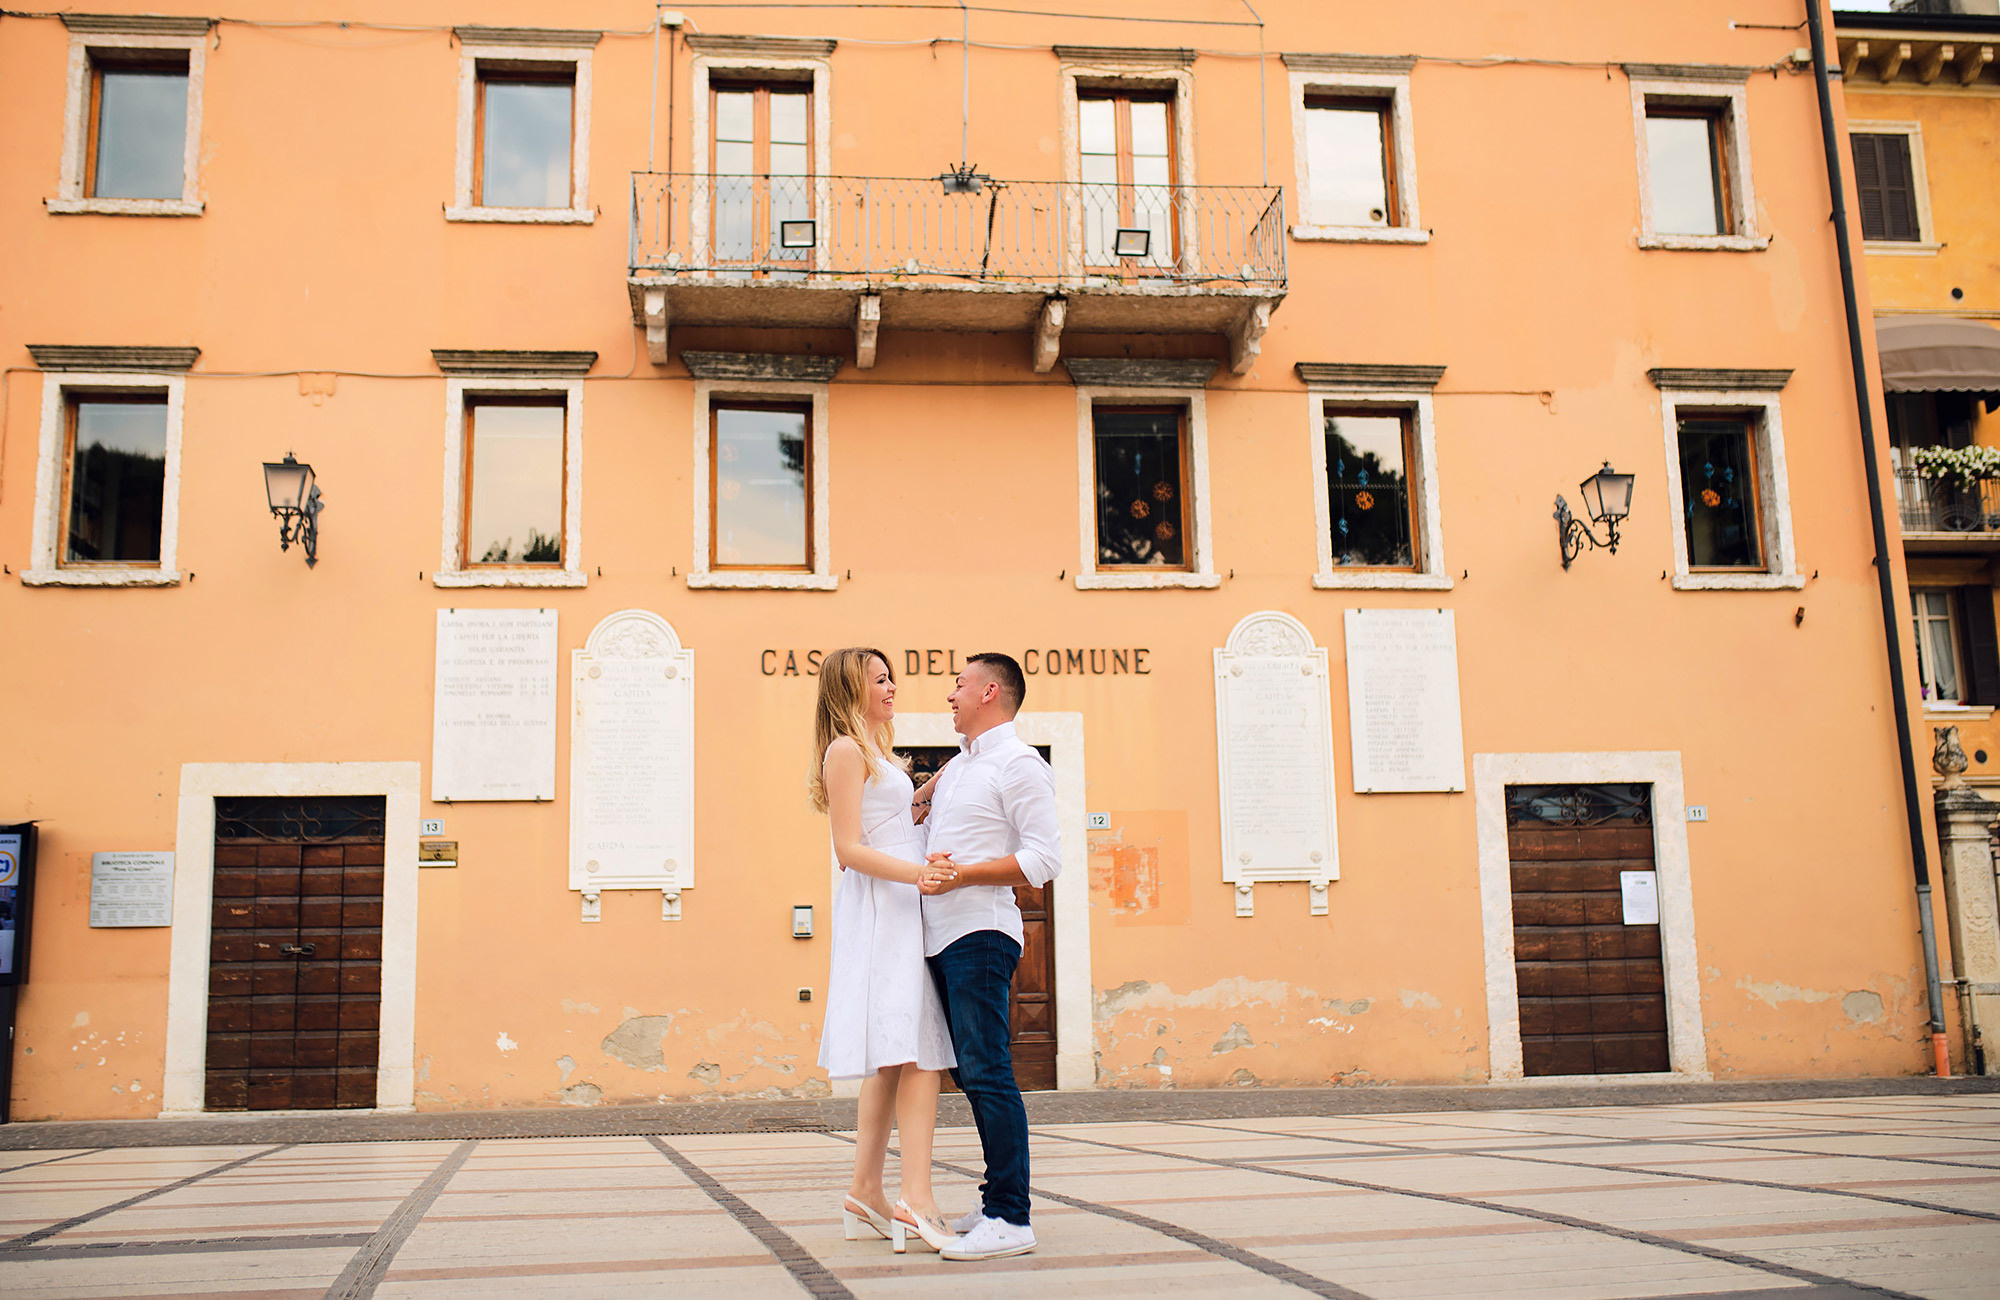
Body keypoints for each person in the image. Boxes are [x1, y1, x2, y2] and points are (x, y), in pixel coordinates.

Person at [810, 647, 958, 1253]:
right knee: (919, 1050)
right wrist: (917, 874)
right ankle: (913, 1197)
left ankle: (865, 1187)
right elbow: (848, 848)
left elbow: (891, 823)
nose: (893, 686)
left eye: (891, 675)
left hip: (896, 904)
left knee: (897, 1055)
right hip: (881, 909)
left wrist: (927, 793)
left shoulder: (875, 755)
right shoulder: (844, 752)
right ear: (852, 688)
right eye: (880, 679)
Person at [917, 652, 1061, 1262]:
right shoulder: (955, 770)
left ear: (990, 692)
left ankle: (1012, 1215)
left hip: (980, 931)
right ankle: (995, 1197)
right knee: (967, 1072)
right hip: (939, 935)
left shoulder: (1020, 764)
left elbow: (1044, 861)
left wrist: (965, 877)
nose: (950, 695)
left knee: (988, 1069)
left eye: (958, 685)